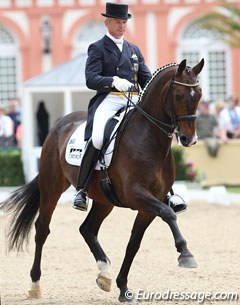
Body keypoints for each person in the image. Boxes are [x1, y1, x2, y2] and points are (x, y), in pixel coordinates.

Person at [73, 2, 187, 214]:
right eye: (118, 22)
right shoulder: (97, 48)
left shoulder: (133, 49)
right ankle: (82, 190)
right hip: (109, 98)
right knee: (98, 137)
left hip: (133, 99)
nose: (122, 25)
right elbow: (91, 79)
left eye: (124, 22)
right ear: (107, 22)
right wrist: (113, 81)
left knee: (155, 135)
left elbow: (147, 78)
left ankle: (168, 192)